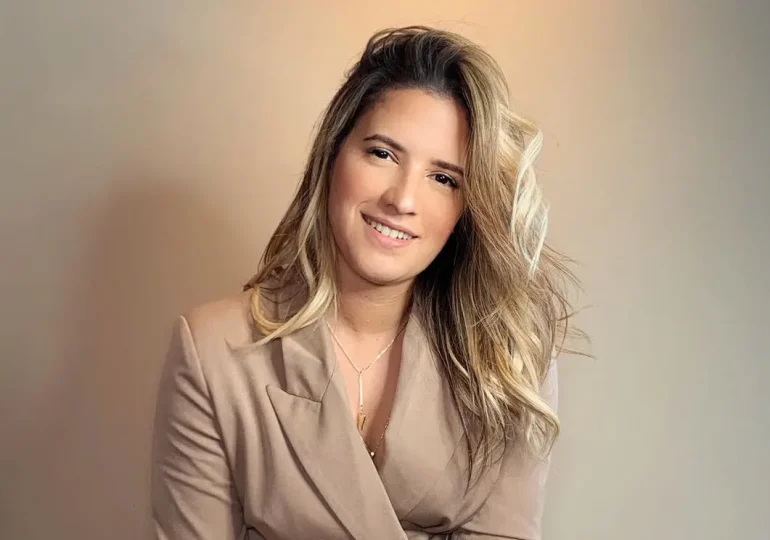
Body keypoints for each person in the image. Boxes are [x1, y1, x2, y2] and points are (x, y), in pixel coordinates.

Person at [151, 25, 580, 540]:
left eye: (443, 178)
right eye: (383, 154)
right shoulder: (213, 350)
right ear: (333, 155)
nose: (403, 199)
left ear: (467, 208)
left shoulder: (510, 353)